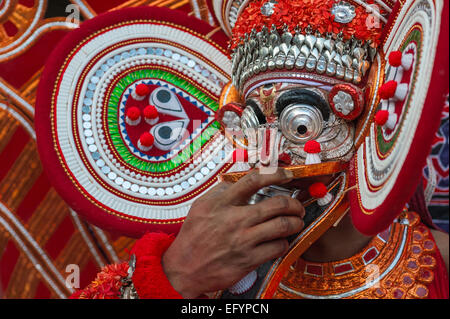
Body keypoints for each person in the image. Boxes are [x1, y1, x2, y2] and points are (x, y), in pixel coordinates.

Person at [70, 0, 449, 299]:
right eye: (253, 126)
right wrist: (175, 276)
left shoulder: (440, 261)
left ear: (369, 118)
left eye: (300, 126)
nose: (269, 152)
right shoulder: (206, 269)